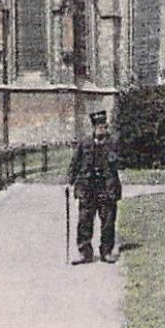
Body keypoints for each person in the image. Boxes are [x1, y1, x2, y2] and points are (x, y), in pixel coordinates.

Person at [68, 112, 121, 264]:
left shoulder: (113, 142)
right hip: (87, 188)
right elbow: (75, 163)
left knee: (108, 222)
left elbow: (119, 161)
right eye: (98, 126)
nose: (101, 129)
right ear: (94, 127)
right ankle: (85, 253)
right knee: (84, 221)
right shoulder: (85, 143)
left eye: (104, 126)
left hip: (107, 188)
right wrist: (69, 181)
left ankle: (106, 252)